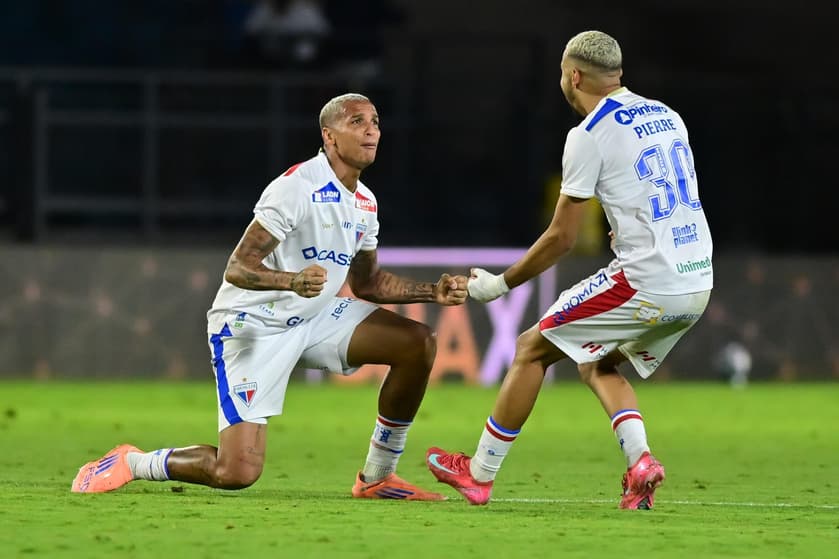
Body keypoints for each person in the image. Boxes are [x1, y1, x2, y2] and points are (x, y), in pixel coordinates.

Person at [72, 93, 468, 500]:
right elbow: (238, 267)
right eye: (357, 122)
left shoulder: (365, 203)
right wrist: (291, 281)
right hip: (253, 323)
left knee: (417, 342)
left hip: (313, 317)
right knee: (237, 471)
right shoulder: (296, 187)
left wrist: (431, 291)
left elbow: (368, 284)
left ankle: (378, 476)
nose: (371, 130)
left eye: (376, 121)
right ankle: (132, 462)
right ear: (329, 137)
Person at [426, 30, 713, 510]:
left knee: (530, 349)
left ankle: (479, 474)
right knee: (597, 362)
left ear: (573, 76)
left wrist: (498, 284)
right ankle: (640, 464)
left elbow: (561, 237)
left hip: (647, 281)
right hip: (698, 277)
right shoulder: (668, 114)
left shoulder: (588, 135)